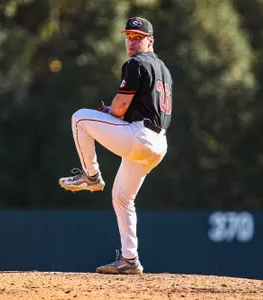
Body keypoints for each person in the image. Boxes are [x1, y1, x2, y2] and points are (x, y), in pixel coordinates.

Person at [58, 17, 173, 274]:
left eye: (138, 37)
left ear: (150, 41)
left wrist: (111, 112)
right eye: (129, 37)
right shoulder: (163, 69)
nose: (131, 42)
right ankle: (130, 260)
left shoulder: (136, 64)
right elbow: (143, 106)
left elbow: (121, 108)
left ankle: (91, 175)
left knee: (79, 118)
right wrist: (115, 113)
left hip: (140, 136)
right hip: (157, 144)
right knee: (122, 198)